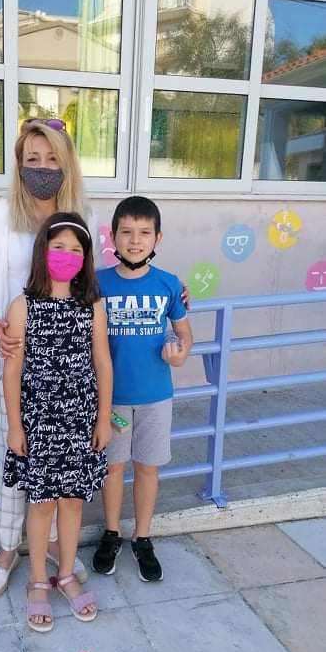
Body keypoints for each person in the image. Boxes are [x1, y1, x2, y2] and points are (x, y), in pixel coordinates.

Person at [0, 120, 95, 598]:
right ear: (19, 164)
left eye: (52, 158)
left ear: (67, 163)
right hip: (13, 360)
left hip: (66, 371)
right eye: (32, 159)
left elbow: (93, 283)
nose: (42, 167)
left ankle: (55, 545)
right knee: (14, 452)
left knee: (59, 461)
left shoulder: (81, 217)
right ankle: (7, 548)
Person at [3, 213, 112, 632]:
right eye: (58, 247)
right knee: (42, 503)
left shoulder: (92, 305)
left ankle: (65, 574)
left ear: (86, 258)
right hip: (39, 420)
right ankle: (37, 581)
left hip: (80, 419)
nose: (67, 255)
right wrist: (16, 426)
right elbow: (12, 370)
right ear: (42, 252)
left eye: (76, 249)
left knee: (72, 501)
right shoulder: (23, 306)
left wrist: (102, 418)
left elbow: (102, 363)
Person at [92, 196, 193, 582]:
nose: (135, 240)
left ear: (157, 238)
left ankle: (143, 536)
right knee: (112, 467)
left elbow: (184, 335)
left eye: (144, 233)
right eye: (127, 232)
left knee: (148, 468)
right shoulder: (97, 283)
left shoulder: (169, 284)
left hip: (155, 397)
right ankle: (111, 532)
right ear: (113, 237)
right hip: (111, 398)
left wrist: (179, 354)